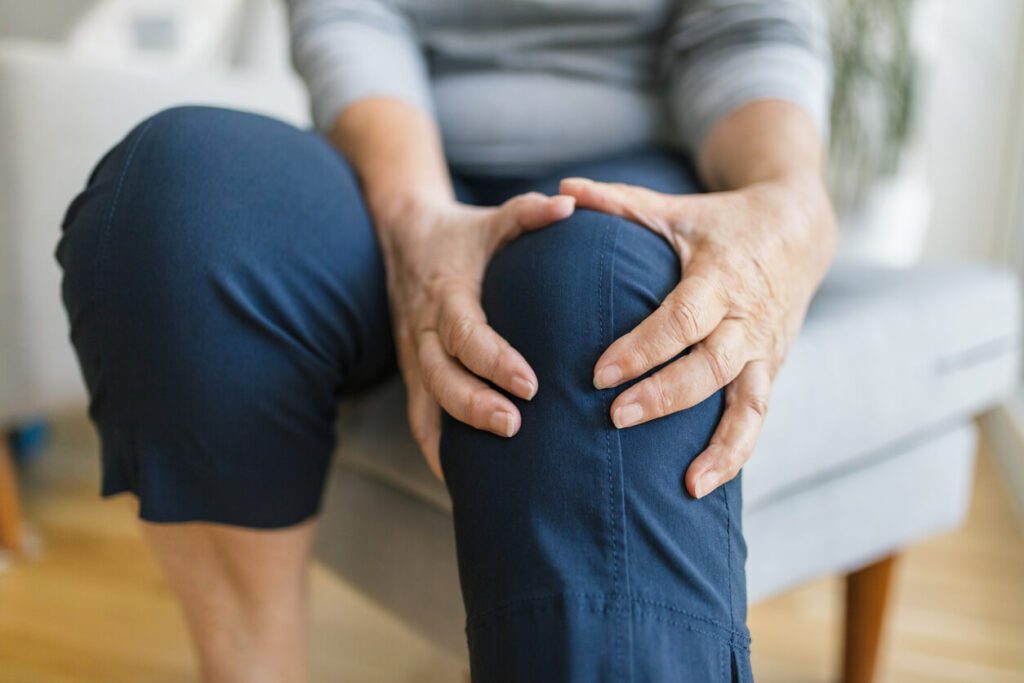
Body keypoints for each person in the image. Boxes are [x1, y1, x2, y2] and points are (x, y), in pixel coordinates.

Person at [57, 0, 836, 680]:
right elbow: (350, 12)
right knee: (179, 203)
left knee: (589, 305)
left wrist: (790, 201)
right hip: (388, 161)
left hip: (628, 176)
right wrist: (414, 215)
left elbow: (748, 27)